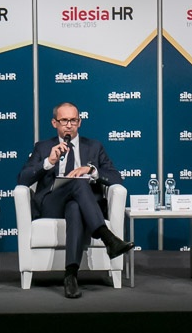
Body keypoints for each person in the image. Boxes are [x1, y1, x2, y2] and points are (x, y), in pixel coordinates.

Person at [17, 102, 134, 299]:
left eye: (73, 120)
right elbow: (23, 179)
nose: (69, 125)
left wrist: (91, 170)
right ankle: (108, 238)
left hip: (84, 205)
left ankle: (70, 276)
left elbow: (116, 178)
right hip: (52, 203)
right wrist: (49, 162)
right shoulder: (43, 147)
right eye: (64, 120)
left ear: (79, 122)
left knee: (74, 207)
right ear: (54, 123)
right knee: (78, 183)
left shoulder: (94, 147)